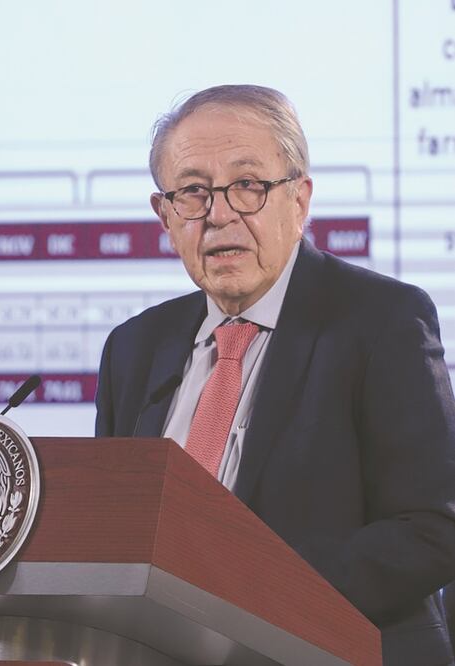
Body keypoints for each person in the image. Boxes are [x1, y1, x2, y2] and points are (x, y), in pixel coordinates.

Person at [94, 84, 455, 664]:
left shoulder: (381, 321)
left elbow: (434, 527)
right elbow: (111, 534)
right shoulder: (134, 348)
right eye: (192, 192)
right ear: (164, 215)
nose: (219, 215)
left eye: (247, 186)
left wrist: (250, 592)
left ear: (299, 199)